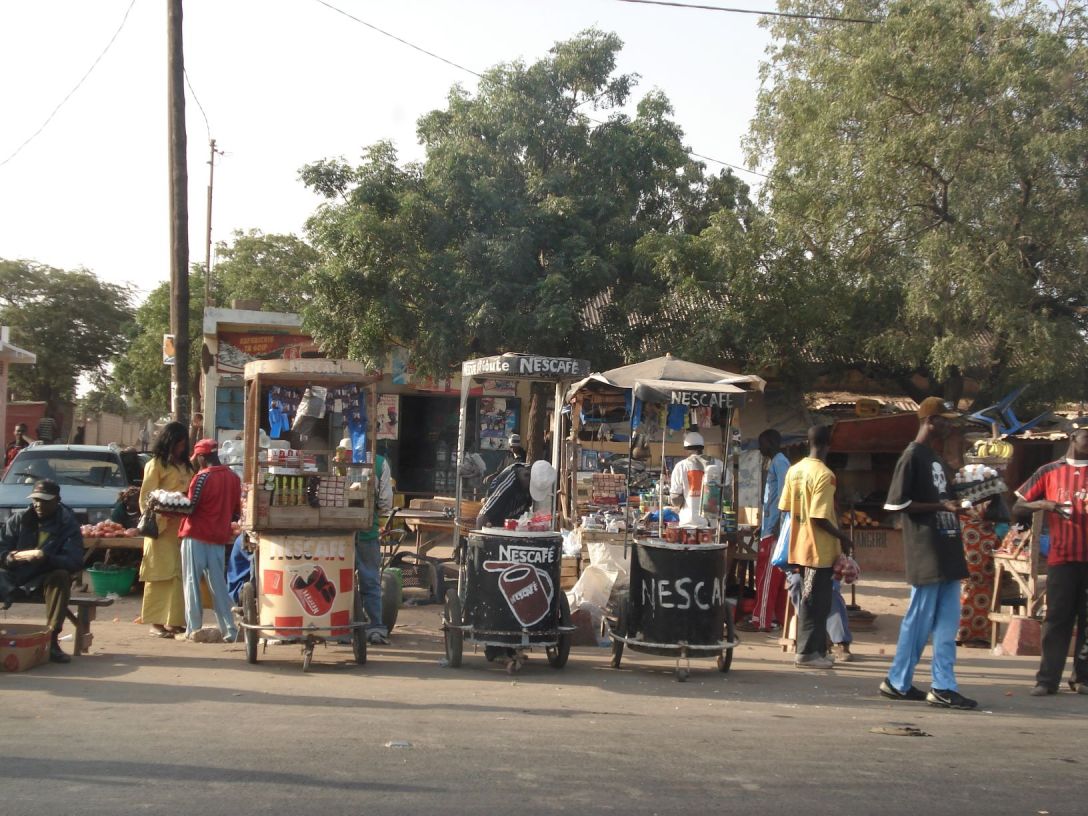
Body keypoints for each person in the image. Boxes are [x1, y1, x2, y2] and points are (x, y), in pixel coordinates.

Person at [880, 397, 977, 710]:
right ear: (930, 420)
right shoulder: (911, 456)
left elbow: (946, 498)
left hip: (948, 546)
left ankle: (942, 685)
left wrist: (966, 499)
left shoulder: (935, 457)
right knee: (918, 622)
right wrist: (941, 506)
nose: (949, 425)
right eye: (945, 419)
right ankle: (898, 681)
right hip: (926, 550)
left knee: (948, 625)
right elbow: (897, 504)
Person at [1013, 424, 1088, 697]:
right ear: (1073, 437)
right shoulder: (1049, 471)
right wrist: (1043, 505)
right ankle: (1047, 680)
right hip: (1062, 559)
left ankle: (1083, 679)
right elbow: (1018, 507)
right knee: (1057, 619)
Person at [778, 425, 853, 669]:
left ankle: (819, 649)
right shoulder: (825, 474)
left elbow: (786, 507)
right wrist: (843, 536)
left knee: (817, 601)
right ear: (827, 444)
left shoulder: (794, 470)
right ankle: (807, 653)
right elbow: (819, 517)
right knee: (815, 602)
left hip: (798, 545)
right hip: (818, 549)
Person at [0, 479, 83, 663]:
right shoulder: (19, 519)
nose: (38, 504)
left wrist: (47, 558)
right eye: (36, 499)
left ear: (57, 500)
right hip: (14, 576)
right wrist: (11, 557)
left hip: (43, 577)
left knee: (61, 577)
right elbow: (2, 548)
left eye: (45, 500)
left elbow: (74, 561)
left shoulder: (67, 525)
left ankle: (51, 640)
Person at [176, 438, 241, 643]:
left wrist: (175, 501)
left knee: (191, 582)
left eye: (198, 458)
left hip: (196, 535)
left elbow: (191, 507)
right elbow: (236, 511)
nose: (197, 462)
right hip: (219, 537)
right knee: (218, 585)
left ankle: (193, 628)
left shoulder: (201, 478)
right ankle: (230, 629)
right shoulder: (233, 478)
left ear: (203, 457)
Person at [138, 422, 192, 638]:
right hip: (159, 529)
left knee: (179, 575)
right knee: (159, 574)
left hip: (181, 528)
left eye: (183, 445)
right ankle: (156, 622)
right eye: (178, 444)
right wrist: (162, 513)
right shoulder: (155, 464)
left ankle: (175, 621)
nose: (181, 448)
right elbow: (146, 498)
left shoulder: (186, 466)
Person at [741, 429, 791, 632]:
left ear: (770, 443)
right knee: (776, 580)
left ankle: (760, 620)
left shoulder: (780, 462)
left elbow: (784, 496)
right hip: (770, 528)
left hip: (774, 532)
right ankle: (776, 618)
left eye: (762, 443)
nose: (760, 448)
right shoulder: (778, 462)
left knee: (766, 578)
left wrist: (777, 527)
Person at [355, 454, 394, 644]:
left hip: (336, 533)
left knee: (336, 581)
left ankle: (340, 624)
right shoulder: (379, 462)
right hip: (367, 531)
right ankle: (375, 626)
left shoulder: (333, 457)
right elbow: (386, 503)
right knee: (370, 580)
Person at [669, 431, 725, 527]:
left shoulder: (681, 466)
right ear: (702, 447)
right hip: (714, 522)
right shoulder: (719, 464)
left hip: (690, 522)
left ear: (686, 449)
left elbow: (675, 499)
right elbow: (727, 492)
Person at [477, 462, 532, 528]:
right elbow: (482, 518)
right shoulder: (508, 483)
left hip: (512, 523)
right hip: (494, 522)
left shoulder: (534, 478)